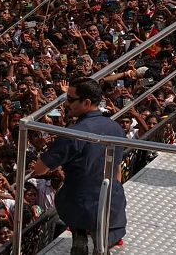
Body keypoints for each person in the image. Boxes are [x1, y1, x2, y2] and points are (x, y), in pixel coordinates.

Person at [32, 77, 126, 255]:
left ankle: (80, 230)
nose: (66, 104)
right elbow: (118, 169)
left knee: (63, 195)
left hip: (80, 206)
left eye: (70, 99)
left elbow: (39, 169)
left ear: (87, 102)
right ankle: (101, 238)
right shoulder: (115, 127)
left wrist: (44, 149)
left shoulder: (72, 134)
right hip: (113, 204)